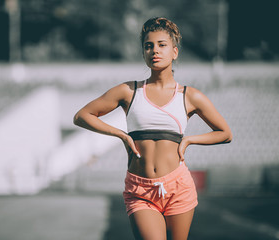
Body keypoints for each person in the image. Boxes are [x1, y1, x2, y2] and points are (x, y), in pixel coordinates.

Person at [73, 17, 232, 240]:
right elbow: (81, 116)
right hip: (140, 190)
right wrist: (120, 134)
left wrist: (188, 140)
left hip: (178, 187)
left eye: (161, 45)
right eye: (148, 46)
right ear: (143, 52)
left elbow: (225, 133)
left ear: (174, 52)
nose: (154, 50)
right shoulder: (129, 91)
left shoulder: (190, 95)